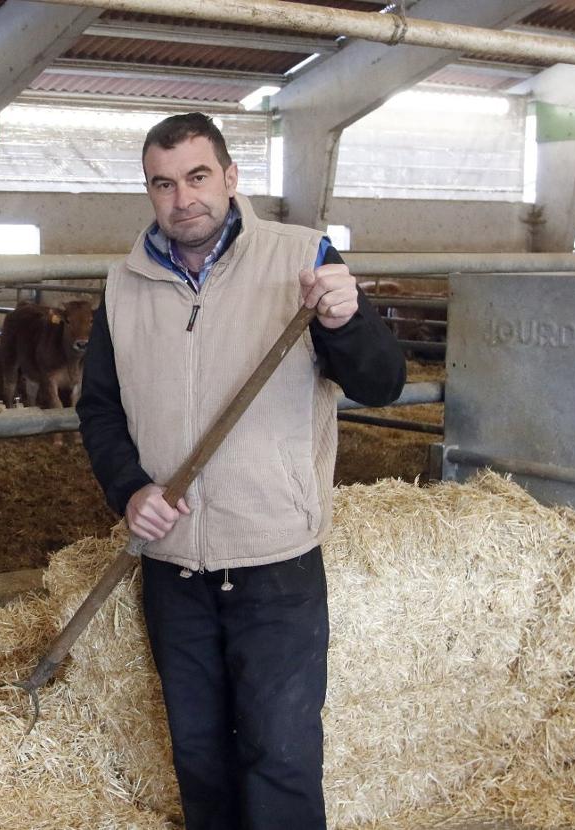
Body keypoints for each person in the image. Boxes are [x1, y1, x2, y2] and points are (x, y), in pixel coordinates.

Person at [76, 112, 406, 829]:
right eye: (162, 184)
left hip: (275, 562)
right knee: (198, 758)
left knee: (280, 756)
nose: (182, 198)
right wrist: (130, 491)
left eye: (198, 177)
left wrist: (349, 321)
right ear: (149, 192)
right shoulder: (122, 287)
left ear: (229, 177)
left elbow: (382, 384)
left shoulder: (303, 258)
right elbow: (99, 410)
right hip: (172, 568)